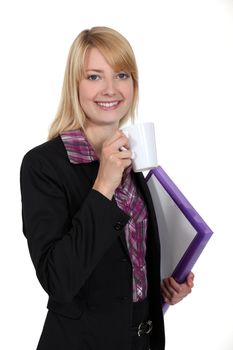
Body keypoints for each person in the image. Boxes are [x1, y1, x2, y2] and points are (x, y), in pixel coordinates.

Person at [20, 26, 194, 350]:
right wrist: (103, 186)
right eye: (95, 76)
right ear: (75, 84)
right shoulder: (43, 165)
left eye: (122, 75)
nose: (111, 89)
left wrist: (161, 286)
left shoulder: (133, 156)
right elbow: (58, 280)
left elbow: (122, 259)